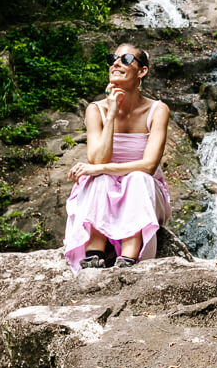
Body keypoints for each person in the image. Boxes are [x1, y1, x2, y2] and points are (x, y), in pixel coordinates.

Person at [64, 43, 171, 270]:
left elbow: (149, 166)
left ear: (142, 71)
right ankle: (94, 254)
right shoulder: (96, 109)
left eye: (126, 59)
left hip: (145, 191)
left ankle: (129, 258)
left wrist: (99, 169)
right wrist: (111, 113)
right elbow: (98, 161)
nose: (116, 63)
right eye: (113, 58)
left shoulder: (158, 110)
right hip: (104, 190)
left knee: (137, 178)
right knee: (101, 178)